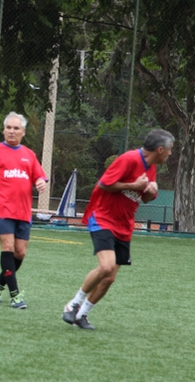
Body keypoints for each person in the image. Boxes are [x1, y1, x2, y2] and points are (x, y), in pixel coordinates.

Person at [62, 129, 174, 330]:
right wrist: (134, 184)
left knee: (109, 278)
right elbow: (103, 184)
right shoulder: (129, 159)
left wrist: (151, 191)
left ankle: (82, 315)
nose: (170, 153)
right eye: (170, 149)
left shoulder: (151, 167)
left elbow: (145, 198)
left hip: (124, 226)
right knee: (106, 267)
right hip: (103, 217)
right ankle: (73, 304)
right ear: (160, 149)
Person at [0, 112, 48, 309]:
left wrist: (41, 182)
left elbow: (39, 176)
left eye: (16, 128)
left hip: (23, 211)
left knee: (20, 253)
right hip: (2, 209)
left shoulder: (29, 155)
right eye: (8, 128)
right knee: (8, 248)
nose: (12, 131)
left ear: (23, 132)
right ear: (4, 130)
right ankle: (15, 295)